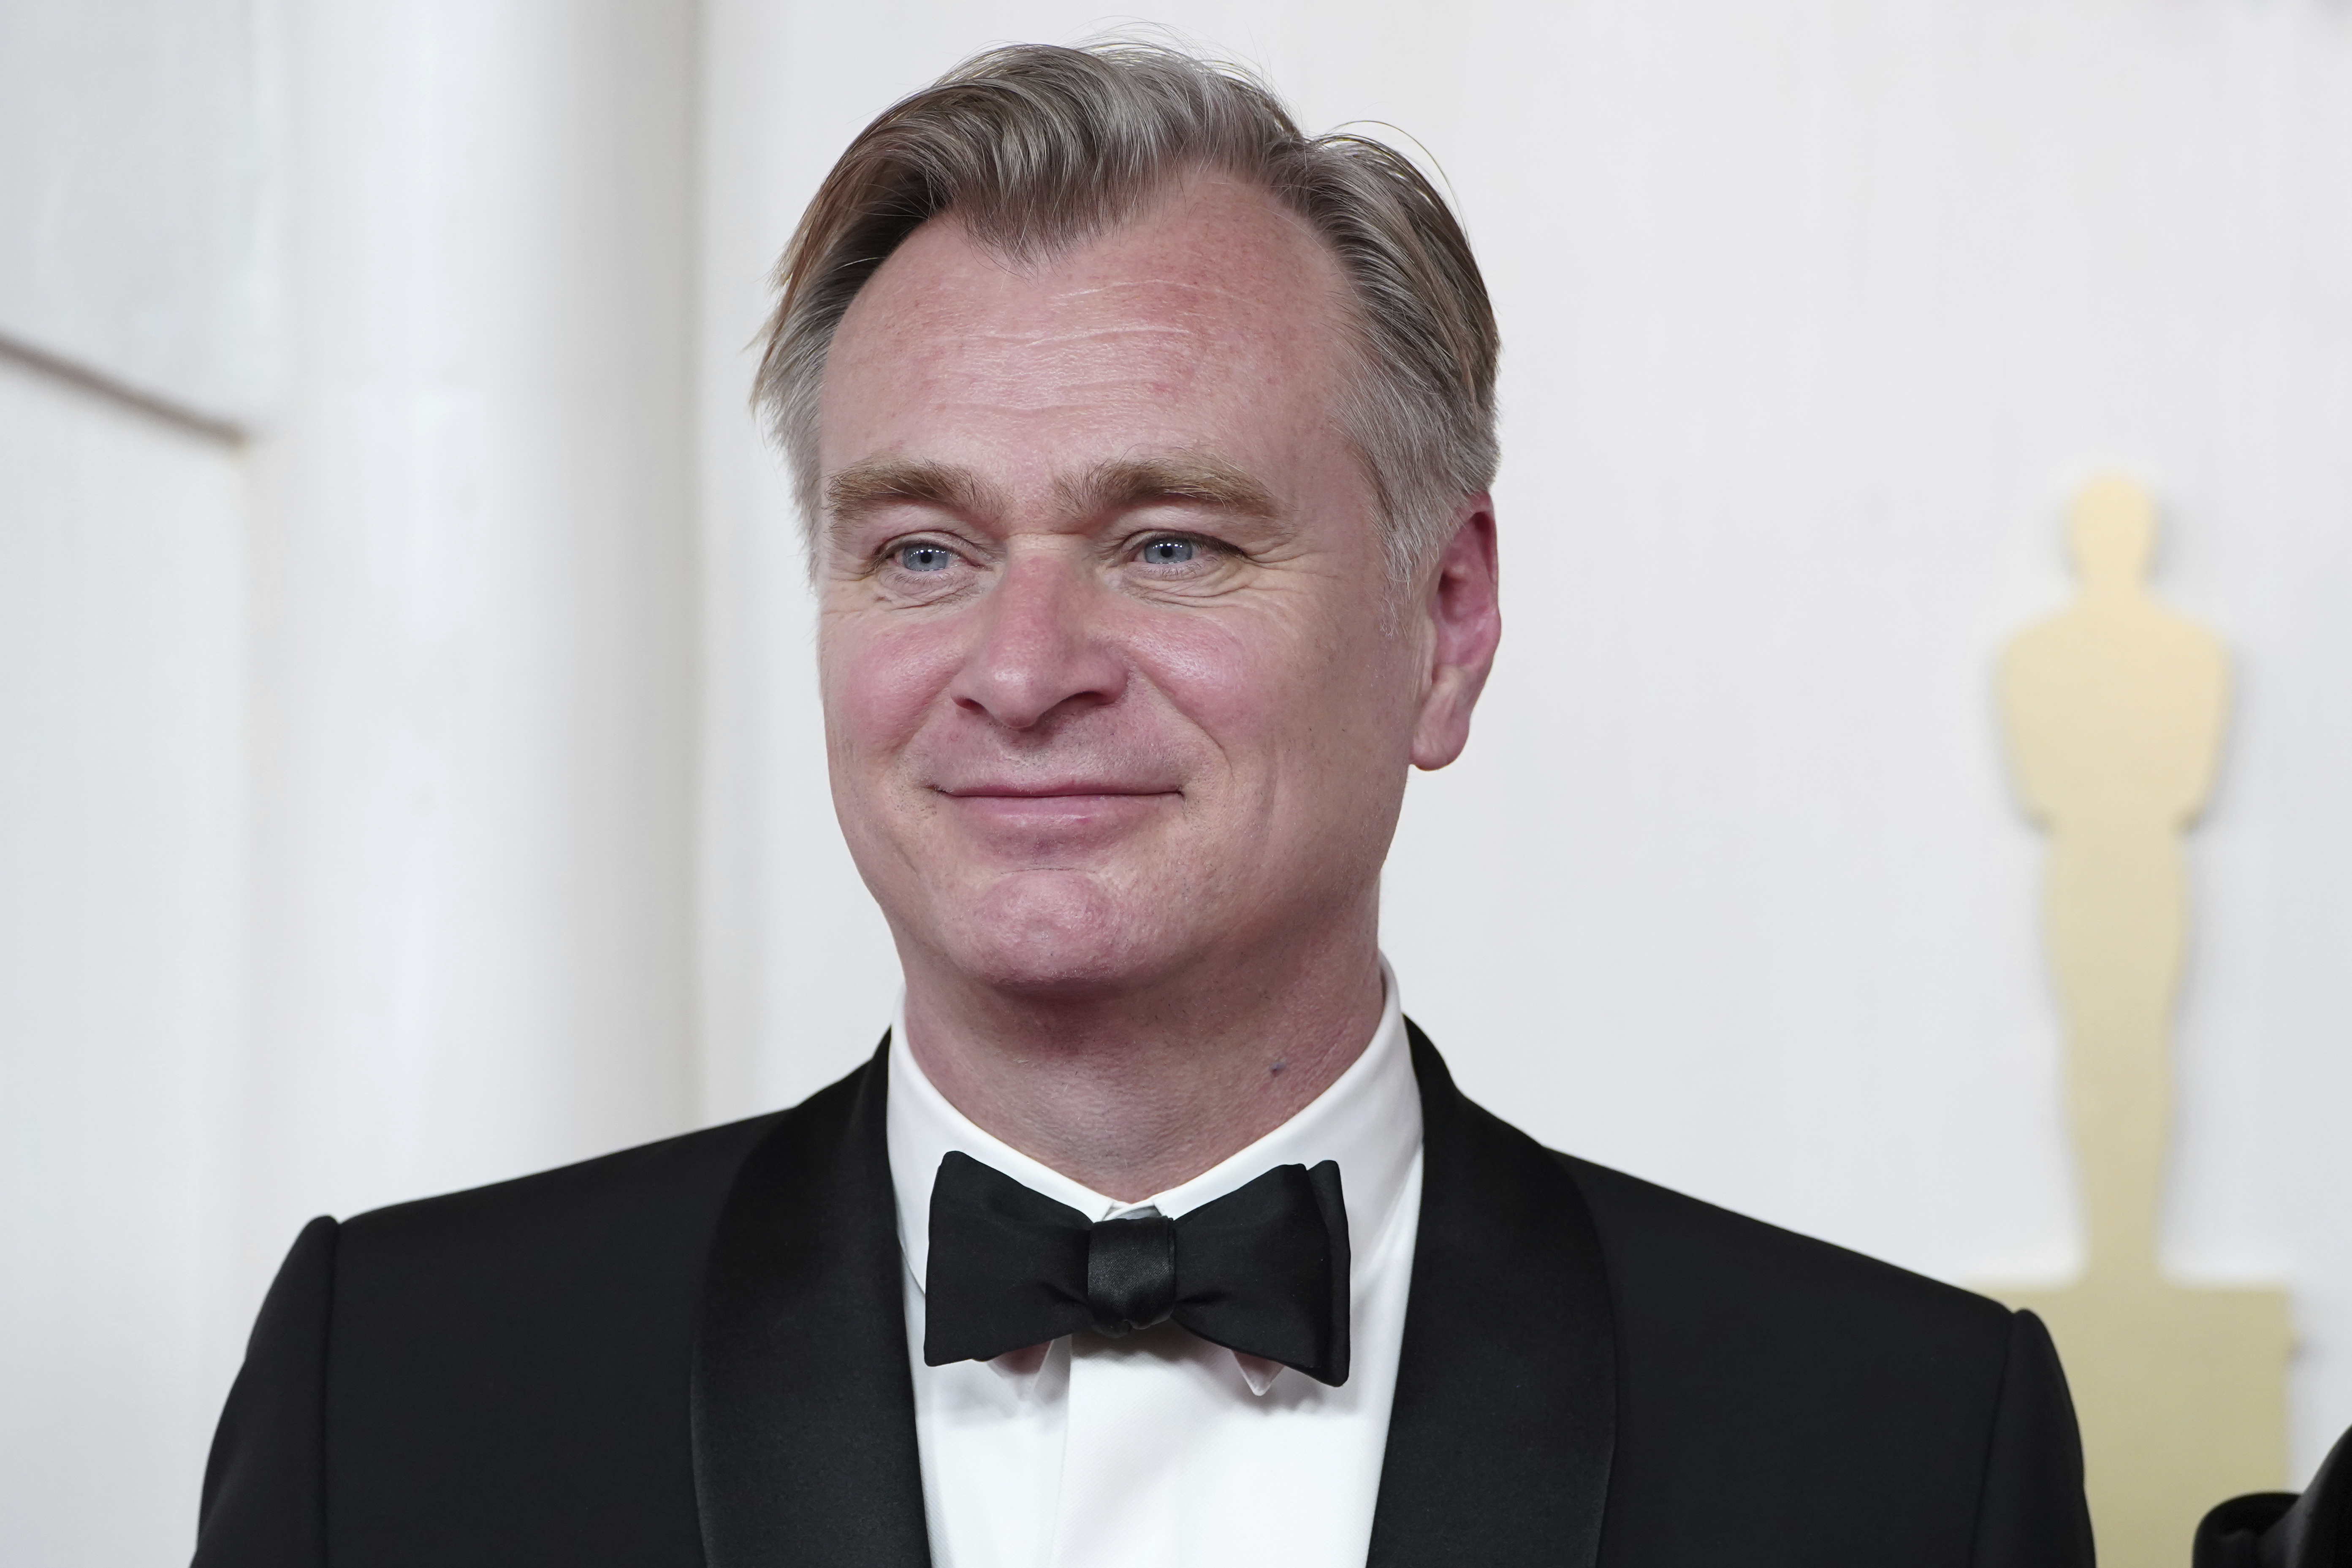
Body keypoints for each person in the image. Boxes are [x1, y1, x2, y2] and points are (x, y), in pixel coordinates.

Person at [193, 41, 2095, 1568]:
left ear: (1444, 620)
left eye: (1170, 542)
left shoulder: (1905, 1444)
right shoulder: (409, 1380)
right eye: (923, 550)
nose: (1023, 669)